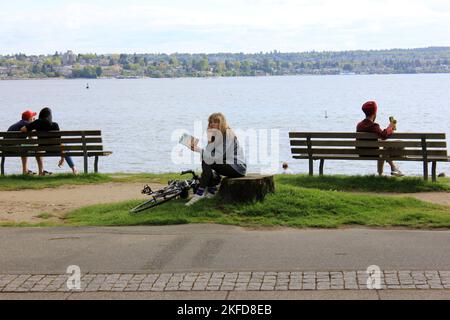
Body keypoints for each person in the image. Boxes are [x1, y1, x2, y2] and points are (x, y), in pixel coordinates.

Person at [186, 113, 247, 206]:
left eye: (215, 122)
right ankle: (211, 189)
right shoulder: (214, 135)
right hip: (227, 164)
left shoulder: (228, 134)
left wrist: (199, 150)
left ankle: (200, 193)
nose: (211, 124)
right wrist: (197, 149)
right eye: (210, 122)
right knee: (205, 158)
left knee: (207, 159)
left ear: (222, 123)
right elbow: (209, 154)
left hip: (237, 167)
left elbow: (218, 156)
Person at [20, 107, 78, 176]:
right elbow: (59, 141)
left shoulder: (37, 123)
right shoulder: (55, 125)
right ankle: (74, 169)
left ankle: (40, 172)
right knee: (64, 145)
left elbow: (23, 129)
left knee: (38, 149)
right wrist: (62, 158)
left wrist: (33, 130)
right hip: (55, 149)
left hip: (42, 148)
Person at [356, 101, 404, 177]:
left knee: (381, 147)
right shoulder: (374, 126)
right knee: (383, 149)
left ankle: (383, 173)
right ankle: (393, 168)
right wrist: (390, 127)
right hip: (374, 153)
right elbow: (384, 135)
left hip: (361, 153)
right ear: (374, 113)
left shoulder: (359, 125)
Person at [7, 110, 39, 175]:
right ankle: (40, 170)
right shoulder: (27, 125)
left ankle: (25, 170)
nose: (34, 119)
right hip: (14, 148)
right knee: (35, 148)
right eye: (33, 117)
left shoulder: (19, 123)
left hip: (6, 148)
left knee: (24, 147)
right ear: (30, 118)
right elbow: (32, 139)